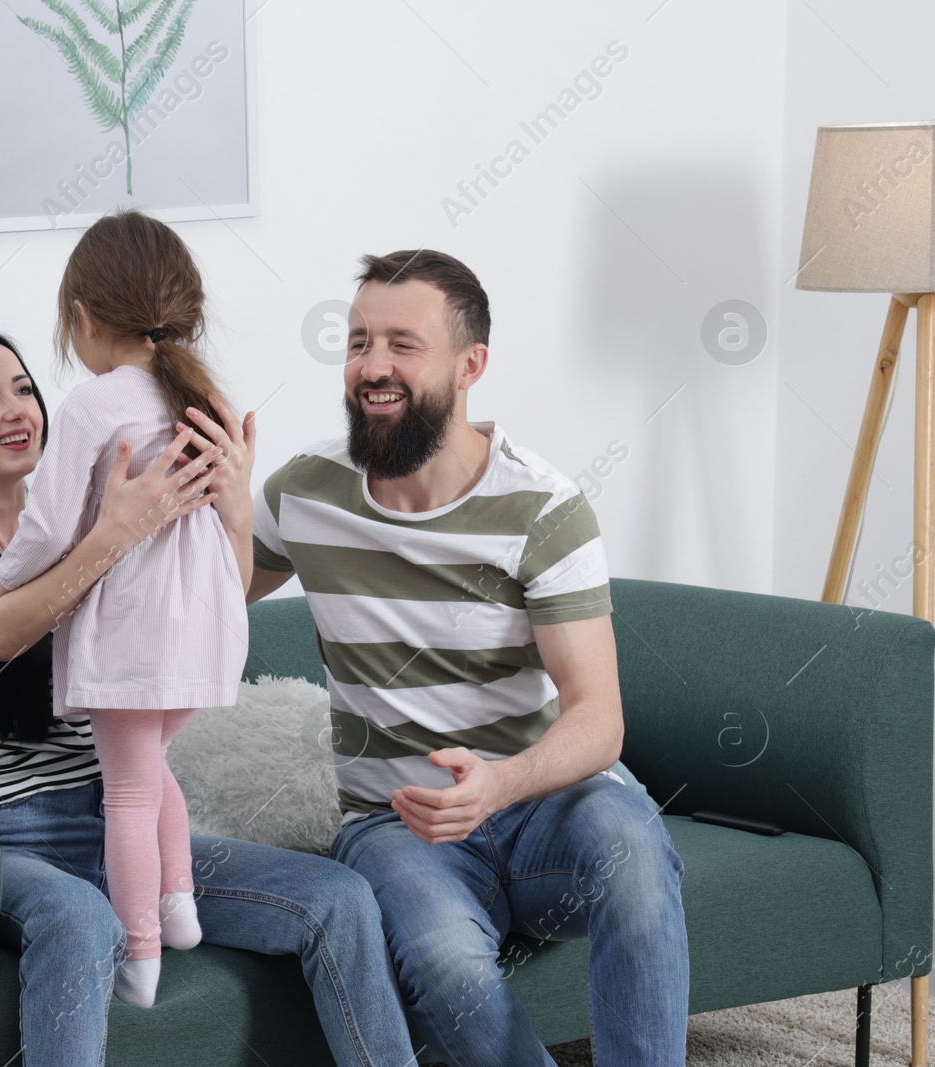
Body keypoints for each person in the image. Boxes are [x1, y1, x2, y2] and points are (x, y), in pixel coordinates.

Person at [0, 327, 413, 1067]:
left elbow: (217, 605)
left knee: (338, 897)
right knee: (78, 918)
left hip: (122, 823)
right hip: (5, 840)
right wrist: (116, 532)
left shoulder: (108, 518)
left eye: (22, 388)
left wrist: (232, 507)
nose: (18, 408)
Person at [248, 250, 689, 1066]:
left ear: (470, 363)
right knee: (445, 962)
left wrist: (503, 783)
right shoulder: (302, 494)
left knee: (632, 843)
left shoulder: (542, 507)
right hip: (396, 823)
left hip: (540, 808)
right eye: (357, 341)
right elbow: (201, 602)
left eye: (402, 344)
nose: (372, 366)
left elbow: (599, 717)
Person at [0, 210, 248, 1007]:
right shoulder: (205, 396)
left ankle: (141, 955)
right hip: (208, 633)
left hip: (134, 639)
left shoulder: (93, 404)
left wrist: (4, 580)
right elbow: (225, 528)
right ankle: (179, 904)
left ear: (81, 317)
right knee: (152, 772)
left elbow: (45, 526)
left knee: (127, 791)